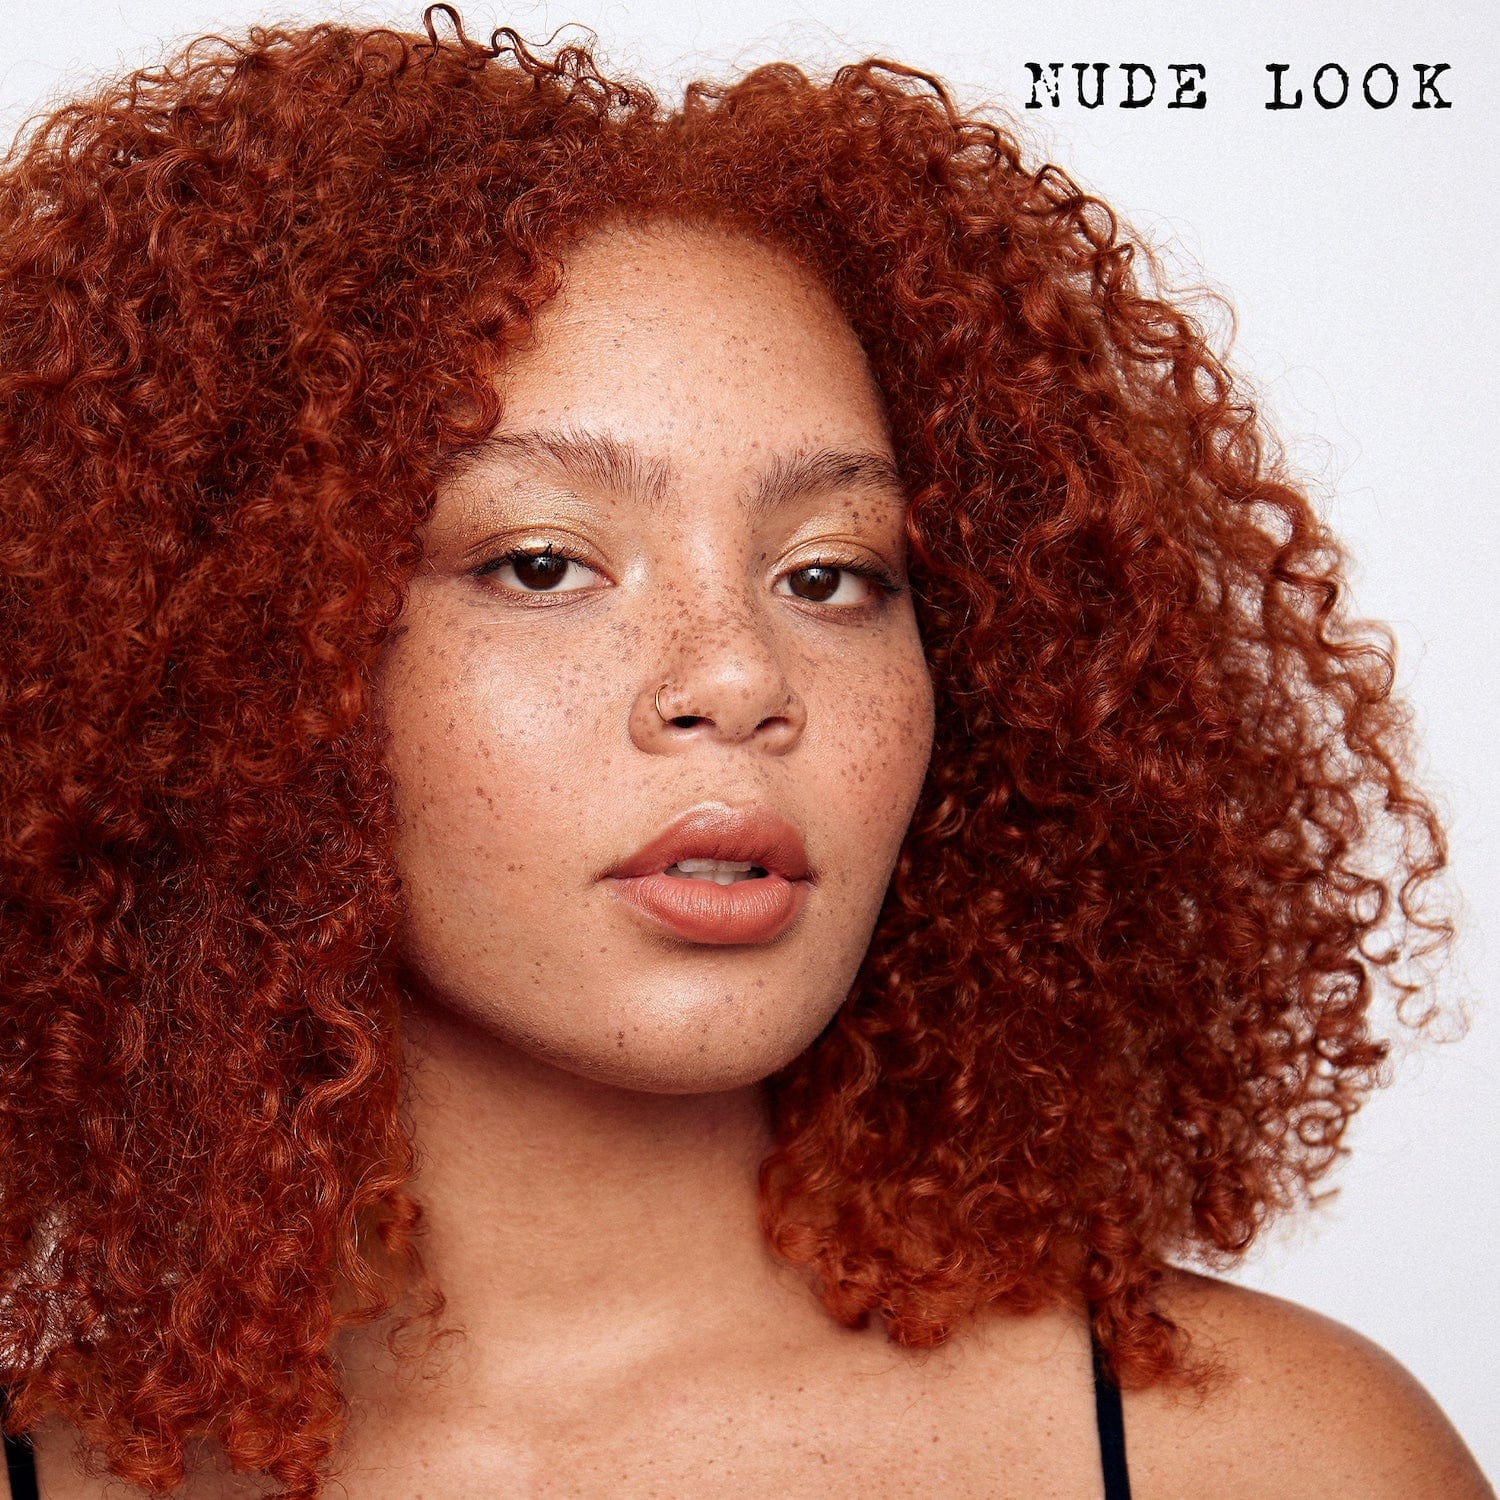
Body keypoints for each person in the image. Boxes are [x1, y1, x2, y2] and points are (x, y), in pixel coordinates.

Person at [0, 8, 1491, 1497]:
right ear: (229, 663)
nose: (738, 677)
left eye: (830, 574)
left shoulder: (1271, 1458)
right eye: (541, 563)